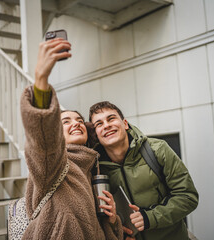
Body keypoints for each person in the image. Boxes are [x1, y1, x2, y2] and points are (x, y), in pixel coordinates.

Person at [20, 38, 123, 239]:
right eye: (65, 121)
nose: (76, 123)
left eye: (79, 120)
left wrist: (112, 221)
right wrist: (41, 79)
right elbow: (43, 140)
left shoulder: (91, 170)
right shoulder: (52, 164)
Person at [88, 101, 199, 240]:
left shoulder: (157, 149)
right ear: (96, 134)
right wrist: (119, 234)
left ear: (125, 124)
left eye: (111, 118)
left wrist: (149, 218)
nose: (106, 125)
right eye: (99, 124)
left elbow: (188, 197)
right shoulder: (96, 169)